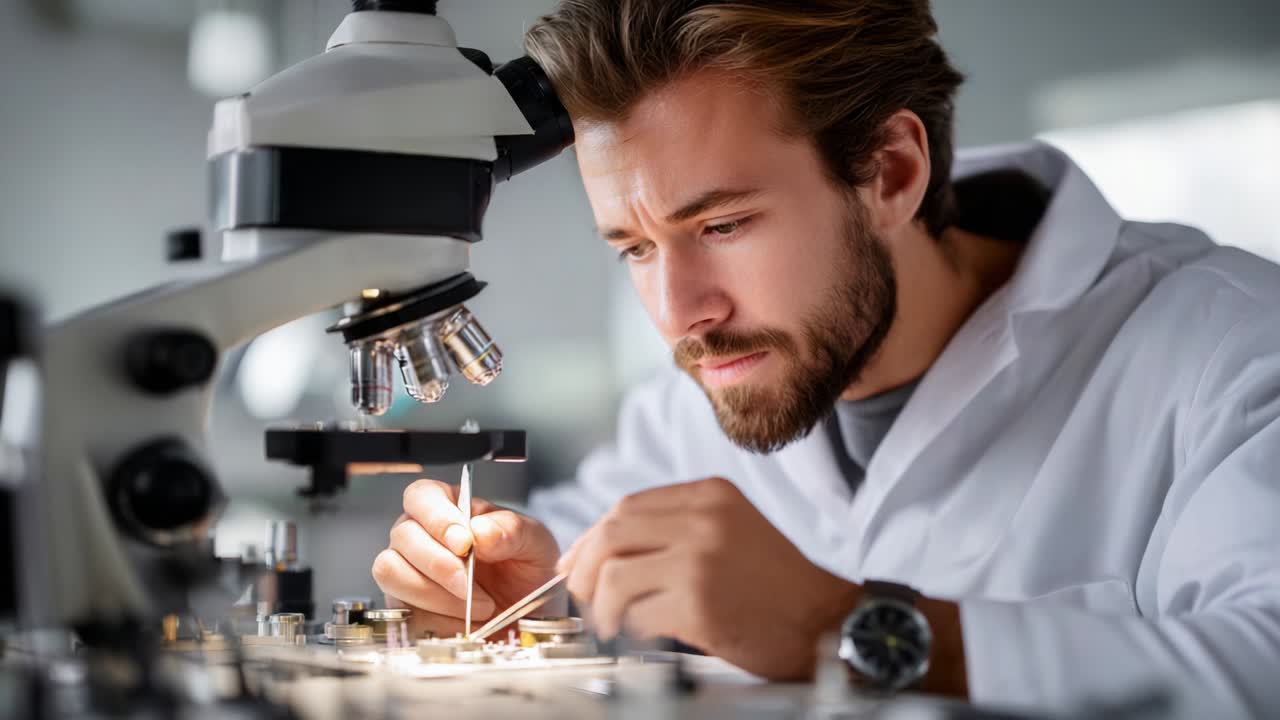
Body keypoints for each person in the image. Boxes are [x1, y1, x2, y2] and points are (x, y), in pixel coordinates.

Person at [372, 1, 1280, 716]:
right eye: (635, 248)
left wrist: (837, 628)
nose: (681, 314)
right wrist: (521, 591)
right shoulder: (697, 399)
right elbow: (565, 559)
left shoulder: (1230, 351)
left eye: (721, 225)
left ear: (890, 172)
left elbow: (1259, 670)